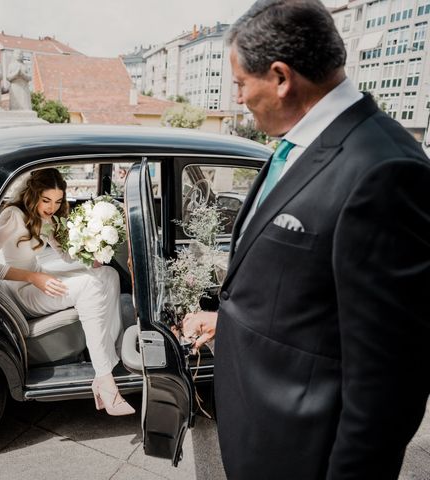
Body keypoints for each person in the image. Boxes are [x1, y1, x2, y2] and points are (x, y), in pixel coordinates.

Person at [182, 1, 430, 478]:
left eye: (239, 84)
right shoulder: (299, 143)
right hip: (259, 432)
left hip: (302, 453)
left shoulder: (385, 170)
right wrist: (228, 318)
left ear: (280, 77)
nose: (238, 99)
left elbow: (390, 378)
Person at [0, 168, 135, 416]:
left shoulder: (48, 219)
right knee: (91, 286)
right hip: (23, 289)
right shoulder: (12, 215)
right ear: (33, 194)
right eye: (46, 200)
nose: (52, 207)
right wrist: (32, 276)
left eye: (58, 201)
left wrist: (92, 252)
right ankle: (104, 379)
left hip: (39, 276)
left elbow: (64, 254)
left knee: (108, 274)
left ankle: (113, 353)